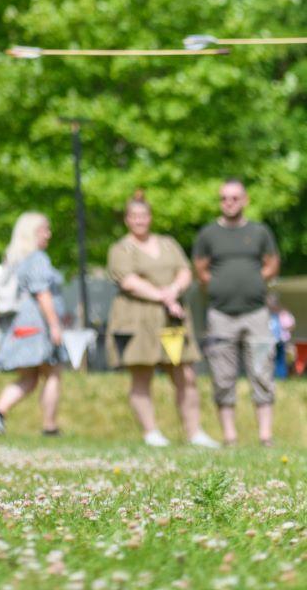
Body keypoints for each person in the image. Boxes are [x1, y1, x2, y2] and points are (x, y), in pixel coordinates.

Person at [106, 193, 217, 448]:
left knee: (185, 373)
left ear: (150, 217)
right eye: (134, 216)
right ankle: (151, 432)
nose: (139, 221)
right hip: (137, 318)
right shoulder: (120, 248)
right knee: (142, 373)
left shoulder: (168, 243)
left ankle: (194, 432)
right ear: (127, 220)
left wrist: (173, 291)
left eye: (143, 215)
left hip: (171, 319)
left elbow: (184, 271)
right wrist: (163, 296)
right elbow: (128, 281)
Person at [193, 179, 280, 447]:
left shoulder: (260, 232)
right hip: (220, 315)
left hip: (256, 314)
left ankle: (265, 436)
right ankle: (230, 437)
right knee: (222, 376)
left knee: (262, 373)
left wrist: (254, 281)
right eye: (224, 198)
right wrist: (219, 286)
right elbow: (200, 268)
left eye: (234, 198)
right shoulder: (208, 234)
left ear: (245, 200)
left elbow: (272, 263)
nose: (229, 203)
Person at [0, 213, 65, 436]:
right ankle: (50, 426)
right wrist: (55, 325)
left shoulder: (18, 259)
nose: (49, 234)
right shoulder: (38, 258)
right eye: (44, 230)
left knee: (29, 377)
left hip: (22, 325)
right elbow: (42, 294)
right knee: (53, 373)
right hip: (39, 325)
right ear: (32, 232)